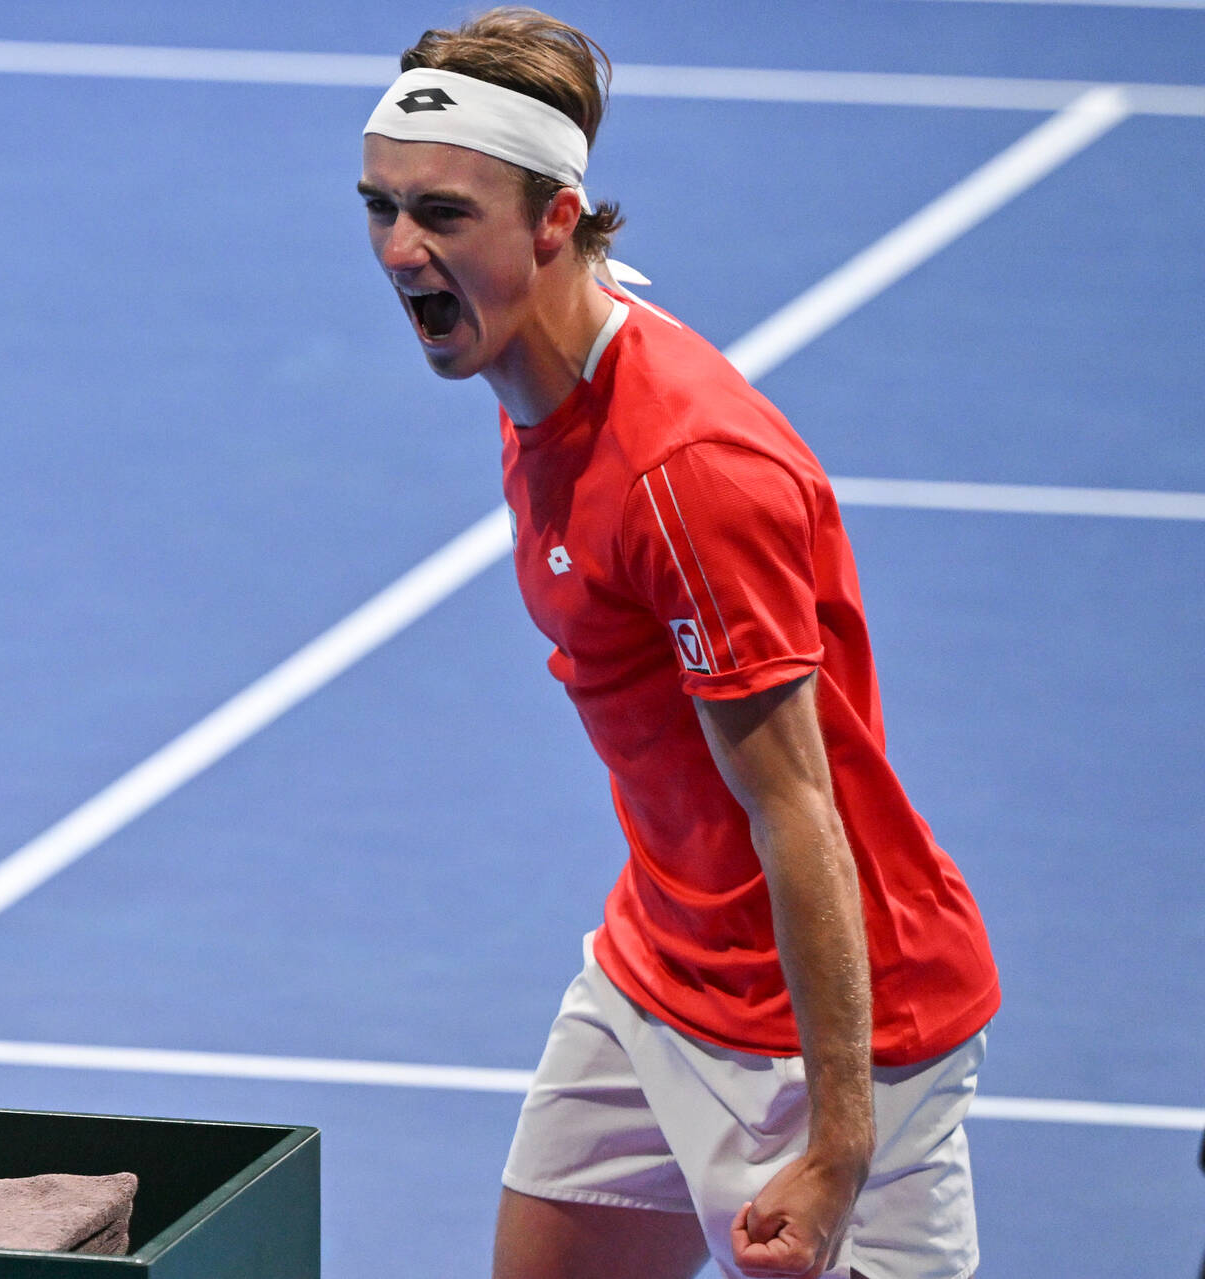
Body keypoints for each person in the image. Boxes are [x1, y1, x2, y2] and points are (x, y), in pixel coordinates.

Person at [357, 10, 1000, 1279]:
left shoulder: (685, 472)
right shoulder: (533, 381)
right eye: (378, 206)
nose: (399, 249)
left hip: (834, 1024)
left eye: (442, 213)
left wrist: (838, 1142)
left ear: (555, 220)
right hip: (662, 961)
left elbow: (800, 810)